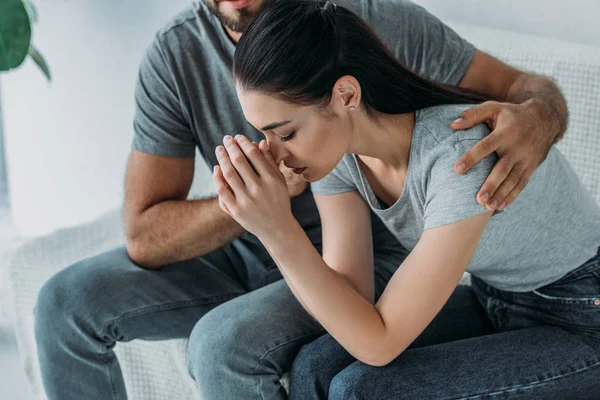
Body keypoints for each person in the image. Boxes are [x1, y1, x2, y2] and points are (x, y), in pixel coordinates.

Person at [33, 0, 570, 399]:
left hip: (405, 262)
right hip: (269, 246)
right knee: (63, 300)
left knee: (227, 346)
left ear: (347, 94)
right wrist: (249, 207)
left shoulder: (364, 28)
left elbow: (519, 88)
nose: (237, 3)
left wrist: (540, 120)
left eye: (284, 132)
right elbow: (144, 236)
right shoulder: (181, 55)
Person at [214, 0, 600, 398]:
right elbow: (352, 297)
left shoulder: (459, 158)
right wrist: (271, 221)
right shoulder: (339, 159)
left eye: (286, 133)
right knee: (315, 365)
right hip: (496, 299)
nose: (273, 154)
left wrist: (277, 229)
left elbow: (379, 344)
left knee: (361, 390)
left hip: (581, 314)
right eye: (264, 133)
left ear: (346, 95)